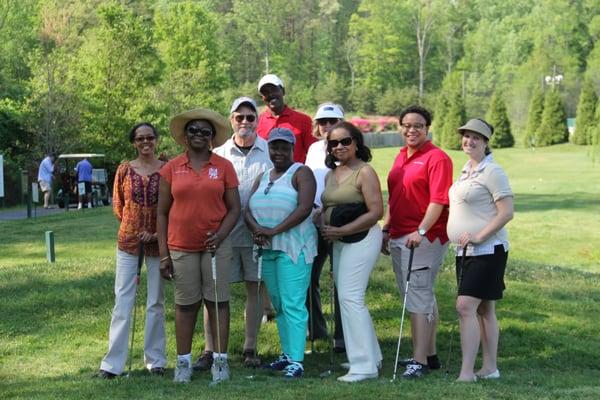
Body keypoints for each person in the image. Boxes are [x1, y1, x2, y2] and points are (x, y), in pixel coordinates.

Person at [157, 108, 241, 384]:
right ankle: (183, 363)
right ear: (185, 136)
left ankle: (220, 361)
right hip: (181, 245)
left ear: (212, 138)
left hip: (216, 246)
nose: (199, 135)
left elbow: (234, 209)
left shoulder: (224, 167)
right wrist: (163, 255)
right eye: (193, 130)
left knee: (217, 302)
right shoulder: (171, 168)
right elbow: (162, 213)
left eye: (205, 132)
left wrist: (220, 235)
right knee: (185, 305)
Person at [196, 97, 272, 369]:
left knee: (254, 289)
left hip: (257, 234)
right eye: (239, 117)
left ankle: (250, 347)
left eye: (250, 117)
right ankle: (209, 349)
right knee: (214, 291)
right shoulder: (219, 154)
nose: (244, 122)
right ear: (231, 121)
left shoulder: (269, 151)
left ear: (257, 120)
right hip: (223, 233)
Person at [381, 105, 453, 379]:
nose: (412, 130)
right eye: (407, 125)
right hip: (400, 234)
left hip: (424, 238)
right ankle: (430, 354)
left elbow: (438, 201)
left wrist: (421, 231)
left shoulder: (437, 158)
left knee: (418, 297)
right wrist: (386, 228)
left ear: (427, 128)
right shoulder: (401, 156)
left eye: (418, 125)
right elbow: (396, 196)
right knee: (419, 296)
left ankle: (419, 360)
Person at [245, 127, 317, 378]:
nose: (278, 151)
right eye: (274, 147)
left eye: (284, 147)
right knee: (278, 304)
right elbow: (247, 209)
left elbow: (305, 208)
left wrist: (273, 230)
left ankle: (297, 360)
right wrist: (257, 229)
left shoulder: (301, 172)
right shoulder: (263, 176)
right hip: (267, 249)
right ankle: (287, 354)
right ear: (269, 148)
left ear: (292, 148)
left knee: (293, 302)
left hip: (293, 248)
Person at [447, 119, 514, 382]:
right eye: (466, 136)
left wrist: (478, 236)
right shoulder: (466, 171)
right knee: (485, 310)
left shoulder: (492, 171)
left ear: (486, 142)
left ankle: (466, 373)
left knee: (465, 306)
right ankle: (490, 368)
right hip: (465, 252)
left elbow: (506, 212)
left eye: (476, 137)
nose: (469, 141)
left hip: (489, 250)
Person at [98, 123, 167, 379]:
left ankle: (156, 360)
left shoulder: (167, 168)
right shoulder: (124, 170)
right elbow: (119, 206)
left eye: (150, 137)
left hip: (159, 242)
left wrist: (156, 233)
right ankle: (112, 364)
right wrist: (134, 226)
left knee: (156, 302)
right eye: (140, 138)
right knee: (122, 301)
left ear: (156, 140)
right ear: (134, 143)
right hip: (129, 243)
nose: (145, 142)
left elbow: (172, 206)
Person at [319, 121, 384, 382]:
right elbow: (327, 205)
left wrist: (341, 231)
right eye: (333, 143)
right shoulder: (330, 174)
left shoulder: (365, 172)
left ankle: (363, 366)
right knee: (349, 298)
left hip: (362, 238)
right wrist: (322, 220)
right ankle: (372, 356)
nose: (339, 147)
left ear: (357, 143)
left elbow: (376, 212)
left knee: (351, 298)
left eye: (345, 141)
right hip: (339, 241)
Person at [304, 103, 345, 351]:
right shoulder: (312, 149)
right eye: (323, 122)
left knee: (341, 278)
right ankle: (316, 329)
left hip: (340, 220)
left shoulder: (348, 147)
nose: (327, 126)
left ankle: (342, 336)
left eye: (332, 121)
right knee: (308, 277)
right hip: (313, 218)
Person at [256, 74, 315, 164]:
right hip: (267, 176)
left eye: (274, 90)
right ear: (262, 98)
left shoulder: (304, 120)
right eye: (265, 92)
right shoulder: (257, 122)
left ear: (283, 91)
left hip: (296, 175)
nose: (271, 94)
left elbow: (313, 154)